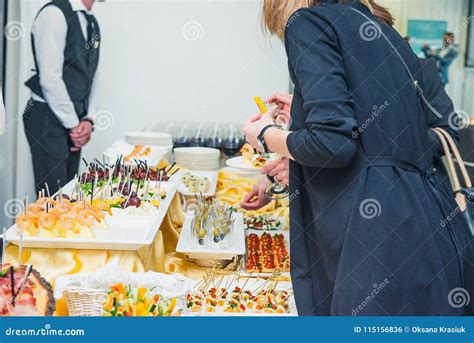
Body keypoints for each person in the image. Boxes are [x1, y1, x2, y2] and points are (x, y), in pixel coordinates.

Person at [242, 0, 473, 316]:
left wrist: (264, 134)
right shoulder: (393, 43)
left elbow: (333, 144)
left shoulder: (306, 22)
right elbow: (372, 137)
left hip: (370, 249)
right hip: (426, 241)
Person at [23, 0, 101, 195]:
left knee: (68, 194)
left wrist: (89, 119)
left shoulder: (92, 22)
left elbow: (94, 74)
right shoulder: (54, 14)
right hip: (46, 119)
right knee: (52, 200)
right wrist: (74, 125)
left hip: (74, 121)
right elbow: (50, 79)